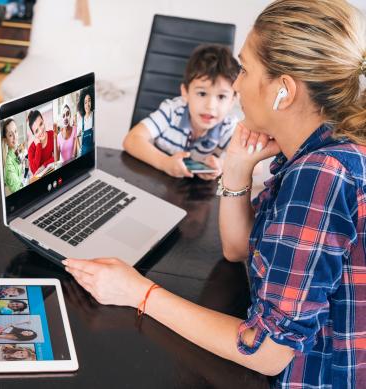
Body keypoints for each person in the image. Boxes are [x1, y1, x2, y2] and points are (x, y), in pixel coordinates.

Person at [64, 0, 366, 387]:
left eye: (244, 68)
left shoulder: (323, 174)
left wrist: (138, 291)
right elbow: (238, 249)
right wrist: (237, 169)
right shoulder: (320, 151)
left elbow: (267, 351)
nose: (236, 85)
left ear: (284, 91)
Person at [123, 44, 240, 180]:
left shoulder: (228, 126)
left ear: (233, 100)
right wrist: (165, 163)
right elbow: (131, 139)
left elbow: (256, 166)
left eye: (221, 97)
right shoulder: (172, 111)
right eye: (202, 93)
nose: (210, 106)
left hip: (196, 195)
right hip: (157, 180)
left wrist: (222, 165)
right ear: (185, 92)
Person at [27, 110, 56, 175]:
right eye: (36, 131)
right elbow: (34, 171)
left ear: (43, 120)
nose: (41, 131)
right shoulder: (31, 149)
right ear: (33, 134)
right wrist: (38, 145)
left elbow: (58, 155)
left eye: (41, 124)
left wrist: (44, 165)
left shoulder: (52, 134)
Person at [1, 118, 25, 193]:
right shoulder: (9, 164)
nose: (15, 137)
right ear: (5, 140)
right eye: (11, 135)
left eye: (16, 131)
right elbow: (19, 190)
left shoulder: (19, 149)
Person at [77, 86, 94, 155]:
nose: (87, 104)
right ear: (82, 105)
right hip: (84, 154)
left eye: (89, 100)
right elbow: (76, 136)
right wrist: (79, 149)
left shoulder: (95, 115)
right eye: (85, 102)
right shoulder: (81, 122)